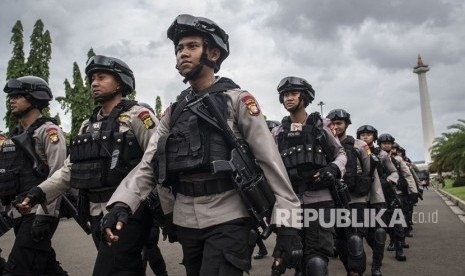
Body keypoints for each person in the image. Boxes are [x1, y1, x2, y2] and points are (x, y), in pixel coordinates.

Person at [101, 14, 303, 276]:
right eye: (178, 48)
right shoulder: (173, 112)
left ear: (214, 53)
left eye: (192, 46)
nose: (182, 53)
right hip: (186, 222)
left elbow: (270, 162)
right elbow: (149, 164)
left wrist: (289, 226)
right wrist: (121, 204)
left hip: (229, 217)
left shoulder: (238, 101)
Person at [16, 56, 158, 275]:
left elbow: (156, 160)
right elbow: (70, 168)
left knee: (109, 270)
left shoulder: (139, 116)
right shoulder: (87, 125)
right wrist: (37, 193)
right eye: (92, 78)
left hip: (128, 211)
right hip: (95, 211)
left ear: (119, 82)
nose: (94, 83)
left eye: (101, 77)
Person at [271, 77, 347, 276]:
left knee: (316, 262)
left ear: (304, 97)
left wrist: (333, 168)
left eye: (293, 94)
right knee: (293, 258)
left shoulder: (322, 126)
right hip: (289, 203)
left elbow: (341, 153)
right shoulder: (278, 132)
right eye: (285, 94)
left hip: (320, 200)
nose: (289, 98)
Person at [1, 76, 68, 275]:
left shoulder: (49, 132)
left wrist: (45, 216)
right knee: (45, 268)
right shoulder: (13, 137)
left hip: (39, 212)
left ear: (34, 98)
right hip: (18, 213)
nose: (12, 100)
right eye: (11, 96)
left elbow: (59, 175)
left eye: (18, 96)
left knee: (19, 269)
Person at [326, 109, 370, 276]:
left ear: (346, 125)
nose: (336, 127)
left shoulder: (359, 145)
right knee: (341, 242)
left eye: (339, 123)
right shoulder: (327, 145)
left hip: (356, 199)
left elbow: (368, 171)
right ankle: (349, 269)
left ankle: (356, 271)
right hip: (335, 200)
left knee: (355, 238)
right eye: (333, 123)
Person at [356, 125, 392, 275]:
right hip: (358, 196)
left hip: (377, 196)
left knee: (379, 231)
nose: (365, 136)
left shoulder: (382, 154)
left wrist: (388, 182)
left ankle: (376, 265)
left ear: (374, 137)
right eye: (362, 134)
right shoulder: (355, 149)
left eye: (369, 134)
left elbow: (394, 172)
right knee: (359, 234)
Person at [377, 133, 417, 261]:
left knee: (398, 221)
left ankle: (399, 249)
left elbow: (408, 175)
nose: (387, 145)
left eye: (389, 143)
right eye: (384, 143)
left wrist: (414, 191)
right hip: (381, 194)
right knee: (386, 222)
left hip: (397, 193)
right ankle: (393, 240)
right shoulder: (375, 156)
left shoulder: (398, 160)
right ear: (380, 144)